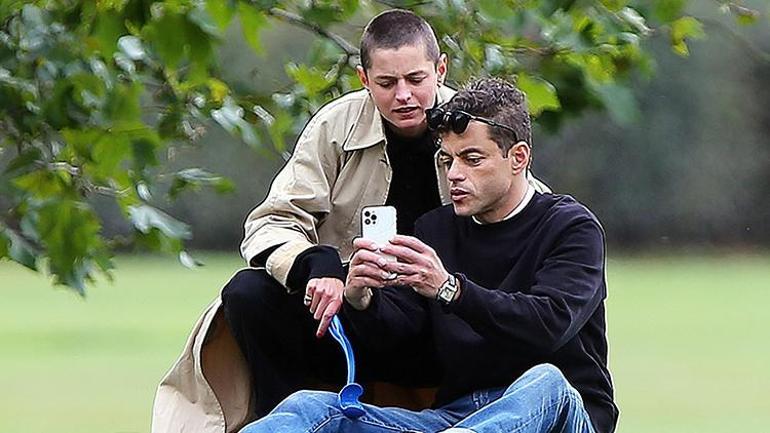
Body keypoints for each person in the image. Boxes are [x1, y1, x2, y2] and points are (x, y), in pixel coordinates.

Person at [152, 10, 548, 433]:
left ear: (440, 70)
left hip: (447, 313)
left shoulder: (472, 123)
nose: (404, 96)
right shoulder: (335, 126)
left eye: (416, 79)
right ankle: (282, 422)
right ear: (363, 79)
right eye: (387, 83)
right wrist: (317, 266)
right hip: (350, 305)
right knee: (248, 293)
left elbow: (526, 203)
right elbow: (271, 222)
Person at [238, 77, 618, 433]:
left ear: (518, 158)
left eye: (472, 159)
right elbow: (400, 333)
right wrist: (362, 299)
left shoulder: (571, 227)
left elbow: (547, 326)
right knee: (310, 407)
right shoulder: (435, 229)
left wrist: (450, 289)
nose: (454, 174)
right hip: (457, 417)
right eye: (448, 160)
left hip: (559, 414)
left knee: (547, 382)